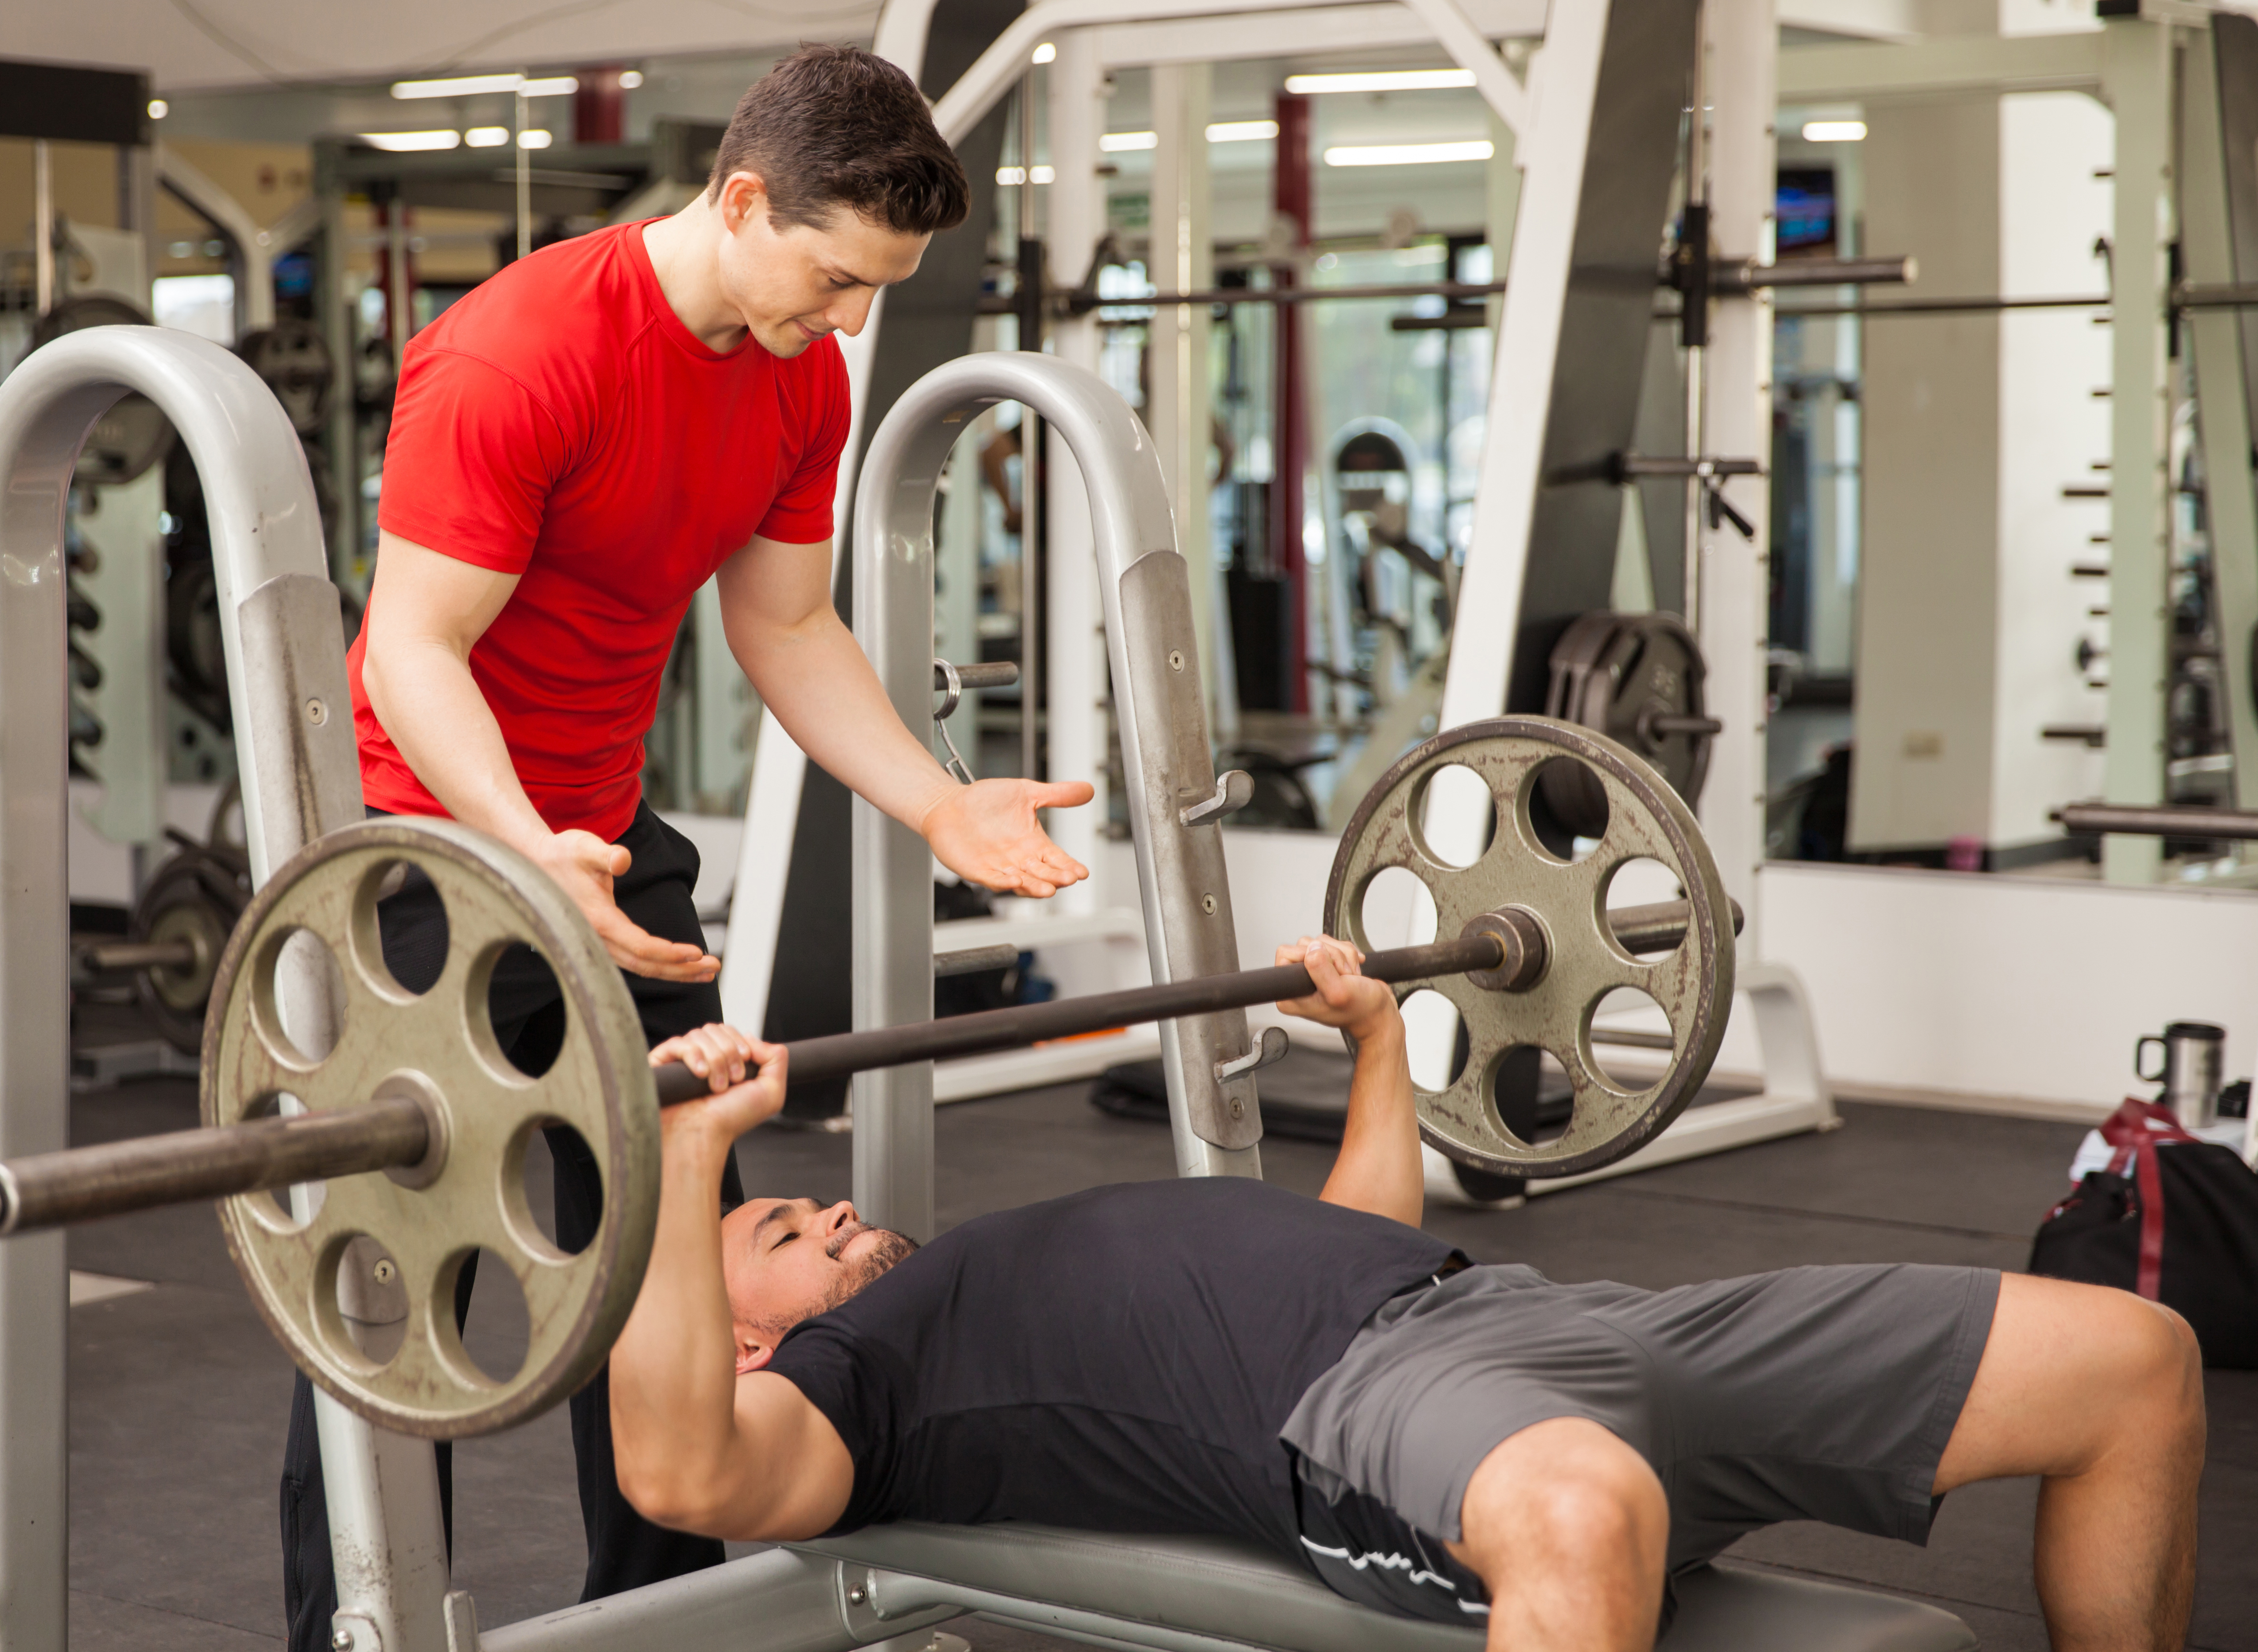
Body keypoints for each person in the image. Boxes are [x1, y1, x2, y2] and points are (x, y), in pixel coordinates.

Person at [280, 43, 1098, 1647]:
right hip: (425, 862)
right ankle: (357, 1632)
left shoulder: (800, 374)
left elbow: (784, 623)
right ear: (741, 201)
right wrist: (523, 844)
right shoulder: (518, 354)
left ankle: (665, 1623)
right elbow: (413, 651)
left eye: (877, 291)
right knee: (395, 1290)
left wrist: (938, 801)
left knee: (669, 1245)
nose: (849, 322)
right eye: (836, 277)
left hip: (604, 843)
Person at [614, 938, 2206, 1652]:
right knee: (1579, 1507)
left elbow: (1358, 1242)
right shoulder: (857, 1390)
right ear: (743, 1337)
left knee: (2133, 1358)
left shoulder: (976, 1267)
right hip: (1377, 1420)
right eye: (782, 1225)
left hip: (1536, 1319)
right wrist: (687, 1160)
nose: (829, 1204)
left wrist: (1380, 1041)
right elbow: (680, 1471)